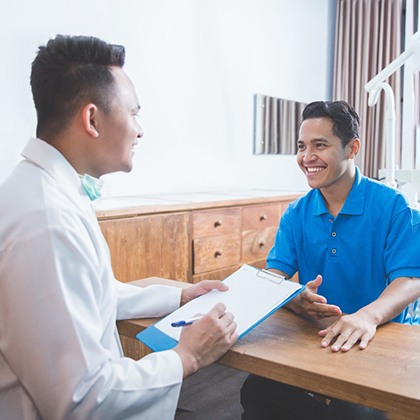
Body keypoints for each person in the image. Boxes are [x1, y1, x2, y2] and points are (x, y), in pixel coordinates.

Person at [0, 35, 238, 420]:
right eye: (133, 113)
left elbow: (92, 294)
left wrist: (178, 298)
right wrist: (185, 357)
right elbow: (80, 399)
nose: (139, 130)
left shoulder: (48, 192)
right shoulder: (46, 221)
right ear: (92, 119)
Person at [240, 100, 420, 419]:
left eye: (319, 145)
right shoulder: (297, 213)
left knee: (359, 411)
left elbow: (409, 281)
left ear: (352, 148)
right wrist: (292, 297)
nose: (307, 157)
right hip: (318, 335)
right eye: (302, 146)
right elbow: (274, 274)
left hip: (381, 338)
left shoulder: (394, 205)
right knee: (257, 392)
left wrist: (366, 317)